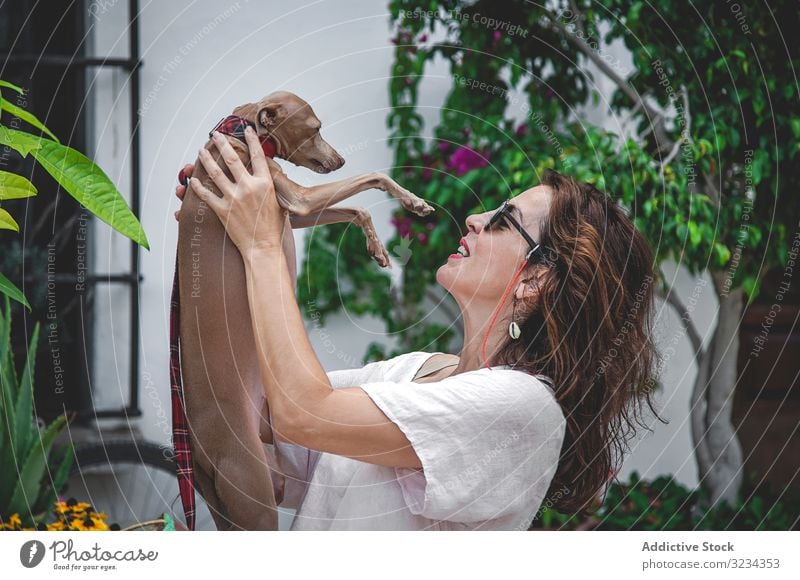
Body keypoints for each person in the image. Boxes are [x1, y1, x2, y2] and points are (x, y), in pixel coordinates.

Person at [172, 127, 662, 530]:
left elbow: (304, 411)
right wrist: (227, 239)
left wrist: (258, 243)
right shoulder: (415, 372)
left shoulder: (523, 408)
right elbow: (261, 417)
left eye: (503, 220)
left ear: (536, 279)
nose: (473, 218)